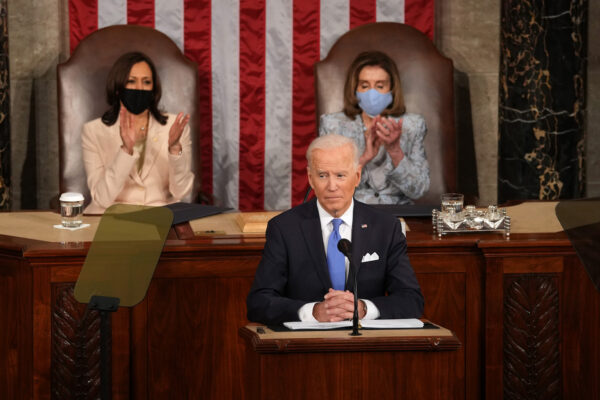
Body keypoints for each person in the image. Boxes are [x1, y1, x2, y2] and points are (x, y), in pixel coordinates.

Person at [247, 133, 424, 325]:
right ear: (310, 178)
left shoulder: (385, 228)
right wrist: (312, 312)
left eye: (340, 175)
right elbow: (259, 302)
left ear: (357, 176)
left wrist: (364, 309)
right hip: (305, 347)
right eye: (323, 175)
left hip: (367, 345)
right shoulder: (284, 228)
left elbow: (411, 300)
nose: (332, 186)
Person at [82, 51, 195, 213]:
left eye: (146, 82)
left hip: (159, 219)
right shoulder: (93, 131)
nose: (139, 89)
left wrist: (174, 148)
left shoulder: (174, 126)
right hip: (110, 221)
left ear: (153, 89)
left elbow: (181, 191)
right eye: (131, 81)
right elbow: (102, 198)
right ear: (118, 87)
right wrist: (126, 150)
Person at [319, 50, 430, 205]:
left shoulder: (412, 126)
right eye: (364, 86)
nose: (372, 93)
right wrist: (364, 158)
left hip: (399, 214)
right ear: (355, 89)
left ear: (391, 89)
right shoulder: (333, 126)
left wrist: (395, 151)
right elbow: (328, 186)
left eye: (380, 85)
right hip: (352, 212)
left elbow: (418, 190)